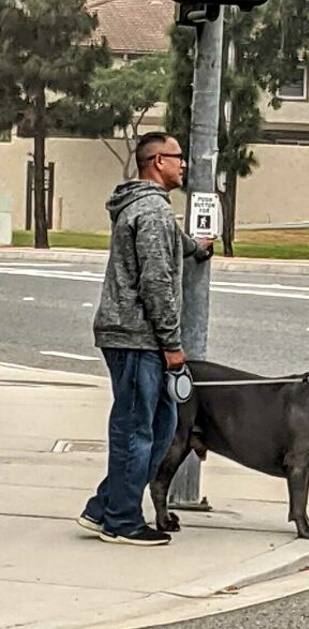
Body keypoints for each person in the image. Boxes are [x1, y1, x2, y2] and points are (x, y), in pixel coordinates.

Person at [77, 132, 213, 546]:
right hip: (138, 338)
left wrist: (196, 247)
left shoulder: (145, 208)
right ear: (157, 161)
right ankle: (120, 521)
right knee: (137, 429)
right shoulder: (152, 212)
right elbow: (155, 281)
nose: (184, 164)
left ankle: (103, 507)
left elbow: (167, 246)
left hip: (135, 336)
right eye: (177, 157)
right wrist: (172, 345)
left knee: (160, 423)